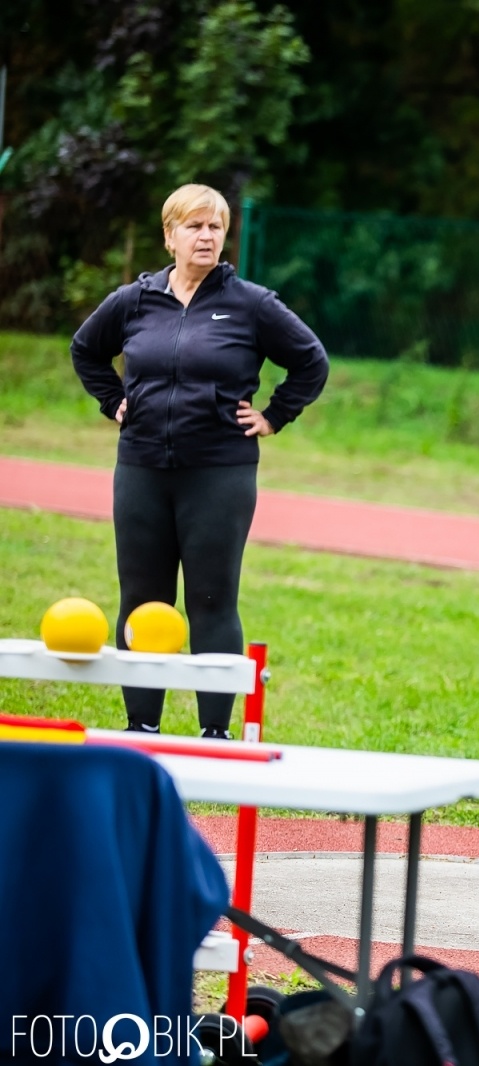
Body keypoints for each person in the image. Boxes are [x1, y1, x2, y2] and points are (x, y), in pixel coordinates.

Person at [70, 183, 329, 738]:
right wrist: (112, 400)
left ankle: (215, 731)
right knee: (142, 598)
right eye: (194, 226)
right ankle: (142, 726)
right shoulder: (133, 301)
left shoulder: (250, 304)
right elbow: (86, 350)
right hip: (140, 468)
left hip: (219, 473)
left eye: (215, 226)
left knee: (212, 598)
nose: (207, 236)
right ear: (170, 236)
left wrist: (274, 415)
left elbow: (311, 361)